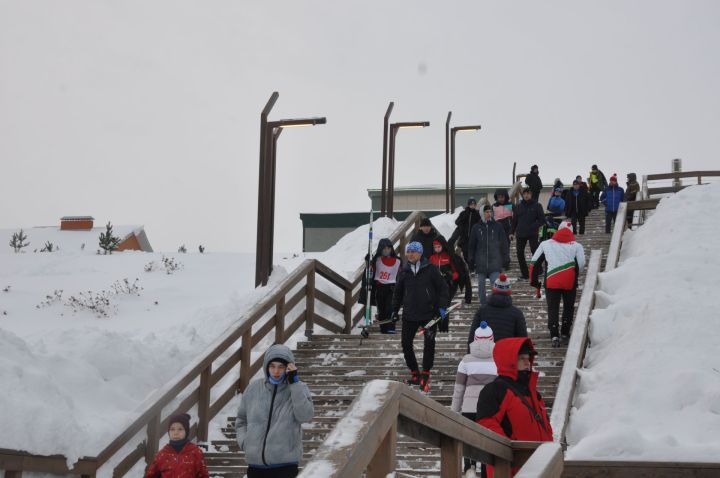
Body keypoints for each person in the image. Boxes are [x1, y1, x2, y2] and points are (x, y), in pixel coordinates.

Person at [476, 338, 553, 478]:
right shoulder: (495, 390)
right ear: (509, 360)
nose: (527, 362)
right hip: (511, 469)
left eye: (528, 358)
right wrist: (507, 455)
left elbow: (547, 430)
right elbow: (487, 426)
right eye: (521, 358)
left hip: (540, 468)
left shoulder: (535, 394)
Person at [235, 344, 314, 478]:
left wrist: (294, 383)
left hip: (285, 467)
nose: (276, 371)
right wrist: (245, 442)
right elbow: (241, 420)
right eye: (272, 366)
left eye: (281, 367)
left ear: (288, 367)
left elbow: (305, 416)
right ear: (266, 366)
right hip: (255, 468)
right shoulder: (253, 388)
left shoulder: (298, 388)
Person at [392, 241, 449, 392]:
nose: (410, 254)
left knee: (429, 343)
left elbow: (443, 289)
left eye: (413, 251)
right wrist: (394, 310)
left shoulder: (430, 269)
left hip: (428, 313)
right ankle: (415, 373)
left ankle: (425, 372)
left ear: (420, 253)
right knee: (405, 343)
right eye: (408, 252)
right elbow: (397, 293)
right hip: (409, 314)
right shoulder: (404, 271)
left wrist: (442, 307)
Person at [530, 221, 586, 347]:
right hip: (569, 280)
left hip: (551, 279)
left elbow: (534, 262)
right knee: (568, 307)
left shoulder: (545, 244)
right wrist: (575, 273)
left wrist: (534, 281)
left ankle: (554, 334)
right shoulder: (577, 246)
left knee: (553, 307)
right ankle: (565, 331)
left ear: (558, 230)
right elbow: (581, 264)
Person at [452, 322, 497, 478]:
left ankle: (469, 468)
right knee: (486, 441)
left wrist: (454, 410)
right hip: (490, 408)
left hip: (469, 408)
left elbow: (459, 388)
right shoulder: (498, 360)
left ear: (475, 339)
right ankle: (485, 472)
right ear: (492, 339)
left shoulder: (466, 361)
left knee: (469, 440)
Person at [467, 274, 527, 349]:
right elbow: (522, 340)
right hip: (506, 355)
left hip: (485, 356)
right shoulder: (517, 313)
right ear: (509, 292)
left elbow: (472, 338)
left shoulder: (482, 311)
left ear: (494, 290)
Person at [468, 205, 509, 306]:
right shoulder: (476, 227)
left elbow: (504, 243)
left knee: (495, 286)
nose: (488, 214)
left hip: (494, 262)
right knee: (481, 287)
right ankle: (484, 306)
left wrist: (506, 258)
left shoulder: (497, 226)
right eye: (486, 212)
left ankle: (494, 304)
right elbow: (471, 245)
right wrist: (471, 260)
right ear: (482, 213)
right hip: (481, 263)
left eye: (490, 211)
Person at [145, 414, 209, 478]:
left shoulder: (195, 452)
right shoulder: (162, 454)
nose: (176, 433)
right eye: (172, 429)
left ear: (186, 431)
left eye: (180, 429)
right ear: (168, 431)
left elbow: (203, 475)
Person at [358, 238, 401, 334]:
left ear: (391, 249)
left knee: (390, 308)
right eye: (384, 249)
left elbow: (401, 275)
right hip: (379, 289)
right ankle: (383, 328)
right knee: (381, 310)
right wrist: (368, 261)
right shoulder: (376, 260)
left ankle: (391, 328)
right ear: (380, 249)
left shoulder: (398, 261)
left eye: (388, 248)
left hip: (391, 289)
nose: (386, 250)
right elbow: (370, 272)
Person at [429, 237, 467, 331]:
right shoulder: (432, 258)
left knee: (444, 306)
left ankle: (444, 328)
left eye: (439, 247)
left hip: (448, 286)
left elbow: (457, 272)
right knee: (436, 306)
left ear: (442, 246)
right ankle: (437, 326)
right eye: (435, 247)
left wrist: (450, 276)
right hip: (436, 287)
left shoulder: (448, 256)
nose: (437, 249)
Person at [510, 187, 545, 280]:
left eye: (528, 193)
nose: (526, 195)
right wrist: (511, 232)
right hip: (520, 233)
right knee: (519, 253)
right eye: (524, 193)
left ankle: (539, 270)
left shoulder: (537, 205)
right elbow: (514, 221)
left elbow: (542, 220)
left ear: (531, 194)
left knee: (535, 251)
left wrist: (534, 225)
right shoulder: (518, 206)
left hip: (533, 233)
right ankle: (525, 273)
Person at [455, 197, 481, 263]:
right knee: (465, 254)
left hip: (473, 238)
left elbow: (480, 224)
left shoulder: (477, 214)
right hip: (464, 238)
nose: (473, 206)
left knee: (473, 253)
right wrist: (462, 229)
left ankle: (472, 267)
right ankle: (469, 267)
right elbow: (457, 222)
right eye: (471, 204)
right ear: (468, 204)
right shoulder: (463, 213)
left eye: (474, 204)